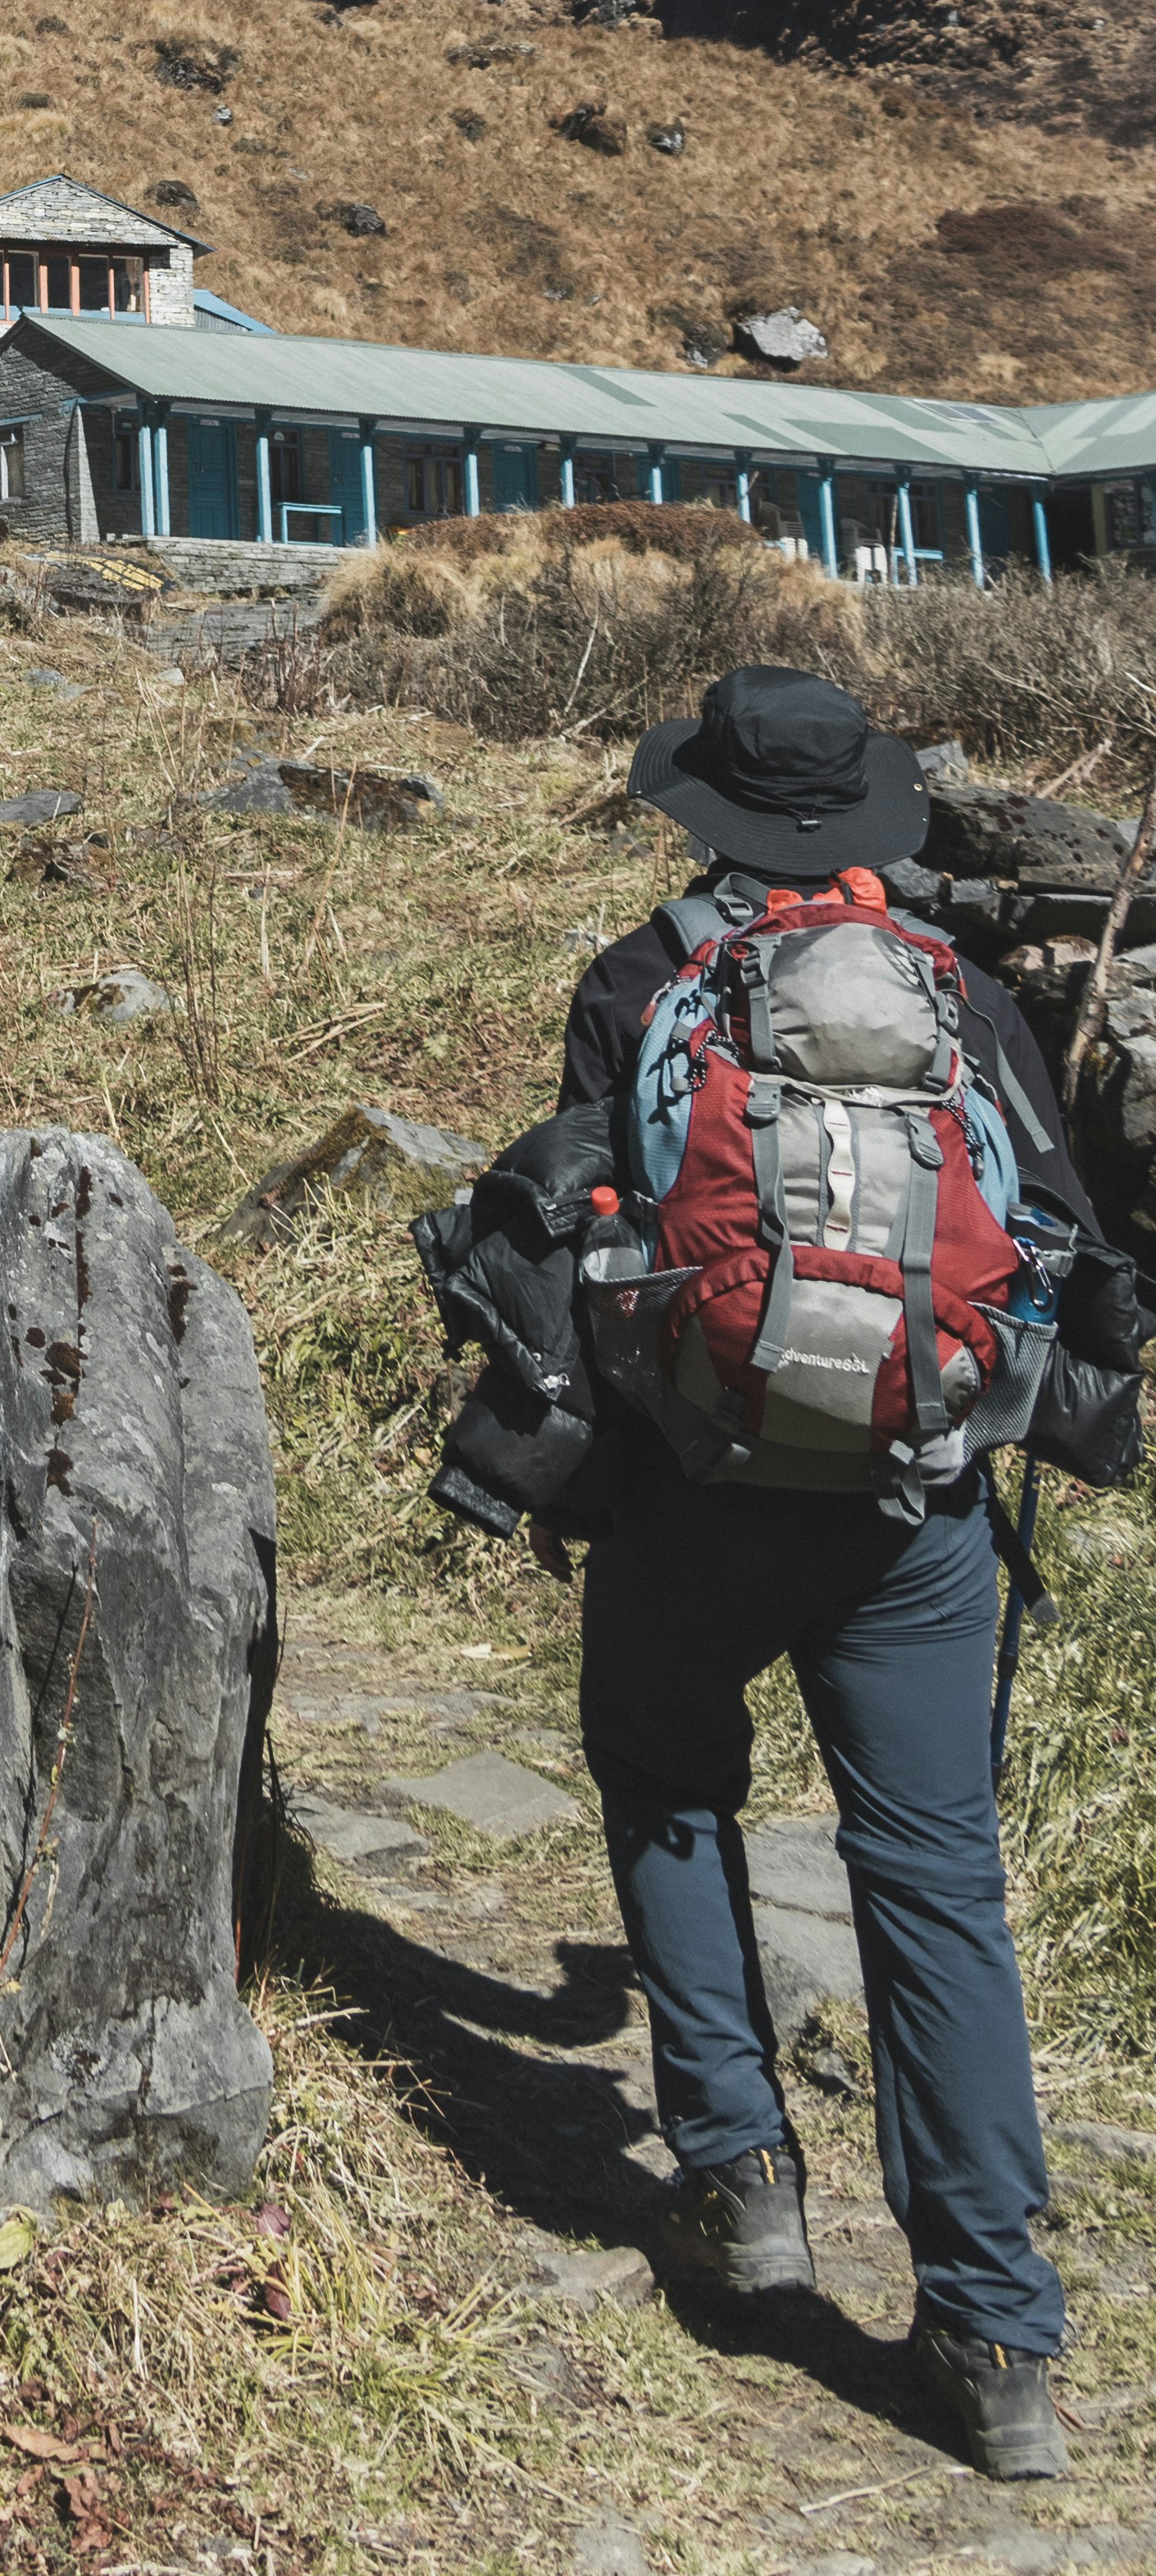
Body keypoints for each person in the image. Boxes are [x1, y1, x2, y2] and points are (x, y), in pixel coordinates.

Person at [541, 665, 1135, 2484]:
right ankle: (990, 2335)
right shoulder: (947, 989)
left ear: (701, 811)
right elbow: (1050, 1231)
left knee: (661, 1772)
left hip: (696, 1495)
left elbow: (582, 1239)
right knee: (934, 1885)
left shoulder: (639, 980)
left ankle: (737, 2183)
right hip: (917, 1507)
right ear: (864, 813)